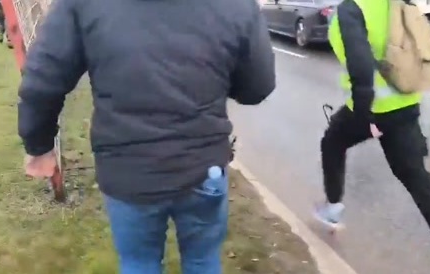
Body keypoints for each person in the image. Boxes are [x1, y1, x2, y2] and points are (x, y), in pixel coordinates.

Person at [17, 0, 275, 273]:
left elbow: (43, 81)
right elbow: (257, 87)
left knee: (139, 263)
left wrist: (39, 146)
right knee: (203, 259)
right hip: (203, 165)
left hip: (128, 170)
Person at [313, 0, 430, 272]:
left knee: (332, 142)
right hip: (406, 104)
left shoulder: (352, 9)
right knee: (417, 177)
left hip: (370, 109)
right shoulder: (398, 3)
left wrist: (366, 119)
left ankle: (333, 208)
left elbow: (360, 67)